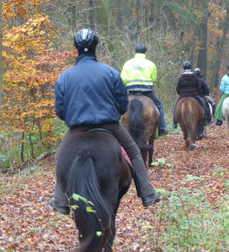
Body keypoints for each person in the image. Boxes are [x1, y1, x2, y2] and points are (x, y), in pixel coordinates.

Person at [50, 28, 161, 215]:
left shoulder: (64, 77)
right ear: (96, 47)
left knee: (61, 156)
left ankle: (61, 200)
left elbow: (60, 111)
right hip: (109, 126)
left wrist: (74, 119)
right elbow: (122, 104)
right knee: (133, 151)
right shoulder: (110, 73)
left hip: (76, 130)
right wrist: (113, 116)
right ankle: (148, 193)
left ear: (76, 48)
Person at [120, 43, 168, 136]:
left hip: (132, 91)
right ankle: (162, 128)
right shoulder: (151, 64)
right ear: (145, 52)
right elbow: (153, 78)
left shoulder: (128, 63)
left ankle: (115, 128)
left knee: (119, 107)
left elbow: (123, 79)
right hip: (147, 92)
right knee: (159, 105)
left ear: (135, 52)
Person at [173, 61, 206, 136]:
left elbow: (178, 87)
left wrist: (180, 93)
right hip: (194, 95)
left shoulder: (181, 77)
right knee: (202, 105)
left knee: (175, 108)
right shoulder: (194, 76)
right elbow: (198, 85)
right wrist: (196, 92)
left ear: (183, 68)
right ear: (190, 68)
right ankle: (204, 120)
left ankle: (174, 122)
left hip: (183, 95)